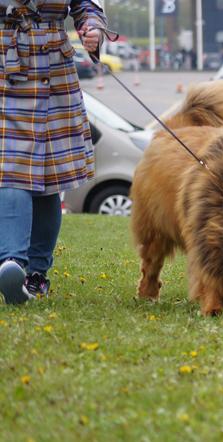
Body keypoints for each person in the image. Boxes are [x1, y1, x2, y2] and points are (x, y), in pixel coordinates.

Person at [0, 0, 106, 304]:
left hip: (54, 72)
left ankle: (36, 275)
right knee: (9, 169)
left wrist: (92, 29)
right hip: (7, 69)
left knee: (49, 179)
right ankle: (13, 264)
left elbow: (86, 4)